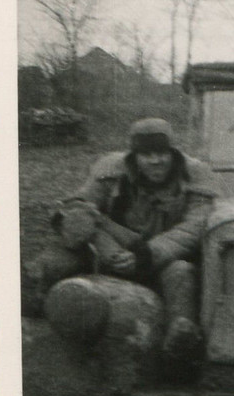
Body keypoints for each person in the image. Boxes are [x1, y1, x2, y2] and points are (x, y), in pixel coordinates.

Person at [25, 118, 219, 356]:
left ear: (172, 152)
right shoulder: (112, 172)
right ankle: (31, 320)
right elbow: (83, 200)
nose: (156, 161)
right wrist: (80, 217)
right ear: (134, 156)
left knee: (182, 273)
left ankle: (180, 338)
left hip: (162, 258)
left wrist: (146, 254)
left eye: (162, 153)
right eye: (146, 155)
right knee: (53, 262)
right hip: (108, 253)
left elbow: (194, 227)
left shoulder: (195, 177)